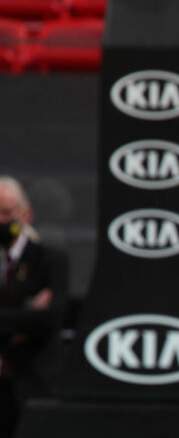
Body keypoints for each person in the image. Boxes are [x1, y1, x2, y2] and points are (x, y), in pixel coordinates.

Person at [0, 176, 68, 438]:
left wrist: (29, 319)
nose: (1, 221)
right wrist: (25, 313)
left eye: (7, 213)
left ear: (25, 214)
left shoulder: (50, 260)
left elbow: (49, 319)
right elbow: (32, 319)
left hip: (33, 382)